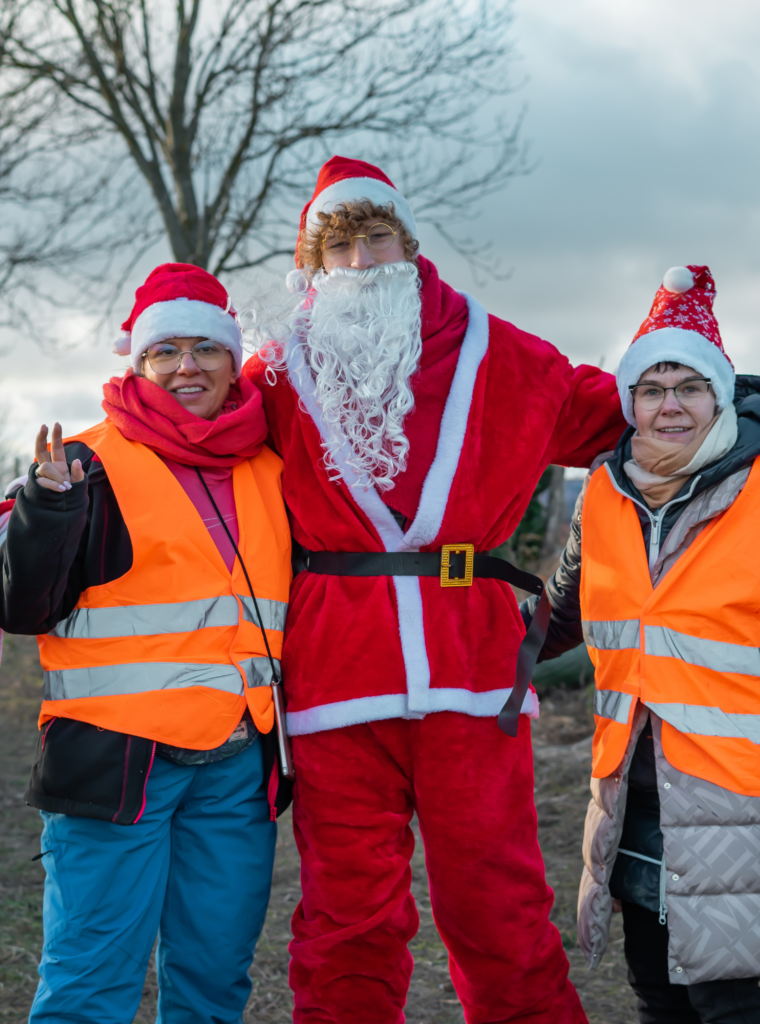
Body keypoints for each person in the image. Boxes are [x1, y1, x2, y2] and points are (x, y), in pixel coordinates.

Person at [243, 155, 628, 1023]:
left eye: (376, 239)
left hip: (475, 668)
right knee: (347, 915)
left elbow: (627, 417)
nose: (360, 264)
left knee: (497, 903)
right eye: (336, 249)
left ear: (409, 246)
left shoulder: (502, 354)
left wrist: (720, 398)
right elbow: (185, 434)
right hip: (337, 672)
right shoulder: (275, 378)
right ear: (311, 265)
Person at [0, 263, 292, 1024]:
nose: (186, 367)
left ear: (234, 361)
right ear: (138, 363)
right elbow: (21, 604)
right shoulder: (83, 466)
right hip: (116, 769)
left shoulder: (269, 467)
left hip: (235, 767)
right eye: (166, 352)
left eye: (205, 349)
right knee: (91, 985)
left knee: (215, 982)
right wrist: (44, 510)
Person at [528, 265, 760, 1023]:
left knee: (733, 1003)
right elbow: (554, 617)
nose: (670, 406)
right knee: (657, 998)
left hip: (739, 804)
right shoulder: (605, 494)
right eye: (652, 389)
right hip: (632, 795)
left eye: (688, 387)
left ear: (719, 394)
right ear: (629, 401)